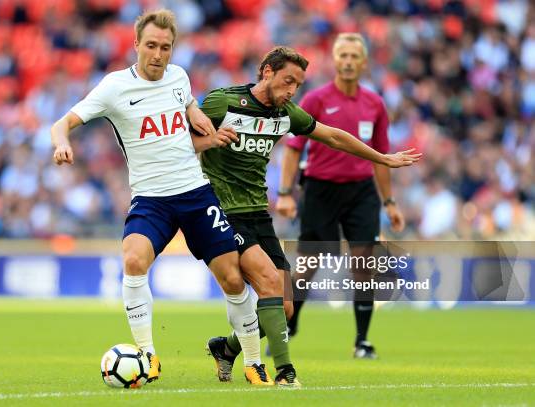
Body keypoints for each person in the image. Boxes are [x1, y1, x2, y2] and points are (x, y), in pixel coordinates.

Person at [50, 9, 272, 385]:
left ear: (173, 49)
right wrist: (61, 144)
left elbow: (184, 116)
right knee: (133, 259)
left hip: (196, 194)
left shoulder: (179, 77)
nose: (158, 54)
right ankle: (147, 355)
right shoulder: (114, 87)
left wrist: (198, 118)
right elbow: (62, 123)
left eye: (165, 47)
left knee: (233, 279)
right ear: (136, 44)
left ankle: (253, 362)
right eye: (150, 45)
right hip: (151, 198)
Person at [192, 46, 420, 385]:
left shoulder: (286, 114)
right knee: (270, 283)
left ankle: (226, 348)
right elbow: (181, 144)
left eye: (297, 85)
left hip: (258, 214)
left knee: (285, 306)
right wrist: (210, 141)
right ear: (266, 72)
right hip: (222, 211)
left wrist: (382, 158)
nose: (291, 92)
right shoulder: (221, 102)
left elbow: (333, 136)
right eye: (287, 82)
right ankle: (285, 372)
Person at [276, 33, 407, 359]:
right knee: (307, 264)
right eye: (342, 55)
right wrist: (285, 192)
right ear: (335, 60)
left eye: (353, 56)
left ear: (363, 62)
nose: (347, 61)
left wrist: (389, 202)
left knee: (364, 264)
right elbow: (294, 149)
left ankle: (362, 340)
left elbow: (380, 157)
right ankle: (289, 326)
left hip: (361, 193)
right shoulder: (316, 100)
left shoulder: (375, 104)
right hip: (320, 189)